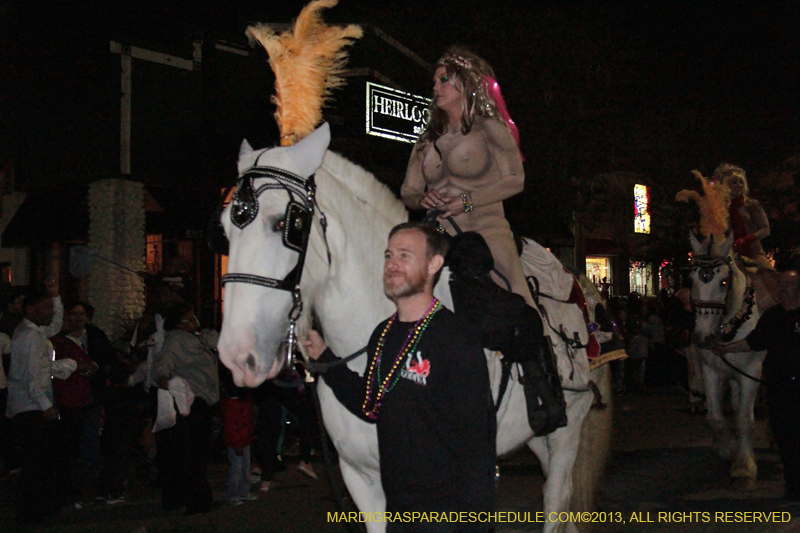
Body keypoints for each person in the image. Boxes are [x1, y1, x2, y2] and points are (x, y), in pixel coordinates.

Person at [304, 222, 495, 531]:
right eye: (389, 255)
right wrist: (325, 357)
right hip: (399, 514)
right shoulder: (383, 335)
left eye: (405, 255)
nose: (392, 264)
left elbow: (477, 442)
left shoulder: (457, 337)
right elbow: (370, 404)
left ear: (434, 264)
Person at [401, 46, 528, 306]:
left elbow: (516, 179)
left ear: (464, 84)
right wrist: (421, 199)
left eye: (444, 79)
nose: (436, 86)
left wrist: (468, 200)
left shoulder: (490, 129)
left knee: (519, 298)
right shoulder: (426, 140)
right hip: (440, 237)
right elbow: (408, 191)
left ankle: (544, 344)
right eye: (435, 81)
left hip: (487, 231)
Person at [5, 283, 94, 523]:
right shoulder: (30, 337)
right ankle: (33, 513)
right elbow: (34, 378)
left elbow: (44, 363)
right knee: (37, 464)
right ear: (30, 309)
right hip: (31, 409)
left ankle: (38, 510)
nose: (50, 312)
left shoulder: (32, 333)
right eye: (44, 307)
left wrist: (56, 298)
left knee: (40, 464)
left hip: (30, 406)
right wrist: (47, 406)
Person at [712, 269, 800, 501]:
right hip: (780, 386)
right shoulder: (772, 316)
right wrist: (725, 348)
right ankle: (793, 486)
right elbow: (754, 342)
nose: (782, 290)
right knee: (784, 437)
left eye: (788, 285)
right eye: (780, 285)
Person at [152, 302, 219, 515]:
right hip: (193, 402)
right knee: (194, 453)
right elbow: (164, 362)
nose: (194, 322)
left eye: (194, 318)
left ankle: (188, 497)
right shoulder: (175, 342)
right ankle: (197, 500)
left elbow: (219, 341)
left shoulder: (197, 338)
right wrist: (162, 377)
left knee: (196, 452)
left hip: (205, 401)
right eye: (189, 319)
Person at [714, 163, 773, 270]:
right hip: (729, 255)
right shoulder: (720, 208)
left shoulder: (751, 205)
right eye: (734, 182)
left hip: (754, 253)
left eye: (741, 182)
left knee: (770, 278)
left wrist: (747, 239)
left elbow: (765, 229)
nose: (739, 185)